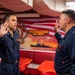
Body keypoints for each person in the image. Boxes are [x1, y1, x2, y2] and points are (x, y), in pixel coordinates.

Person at [54, 9, 75, 75]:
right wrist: (57, 33)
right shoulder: (69, 35)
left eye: (60, 19)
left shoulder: (73, 36)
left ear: (67, 20)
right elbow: (63, 45)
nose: (59, 21)